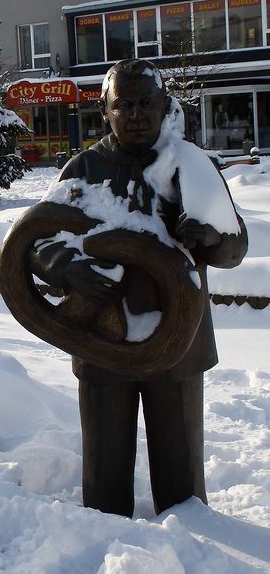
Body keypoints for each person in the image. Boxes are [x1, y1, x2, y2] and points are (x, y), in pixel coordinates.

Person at [40, 60, 247, 517]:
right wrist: (68, 266)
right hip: (103, 338)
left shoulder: (190, 165)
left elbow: (235, 245)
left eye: (147, 104)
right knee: (104, 471)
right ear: (105, 111)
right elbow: (39, 239)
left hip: (178, 344)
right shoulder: (84, 168)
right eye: (124, 105)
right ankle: (104, 543)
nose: (136, 115)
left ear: (164, 107)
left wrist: (211, 235)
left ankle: (194, 545)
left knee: (182, 478)